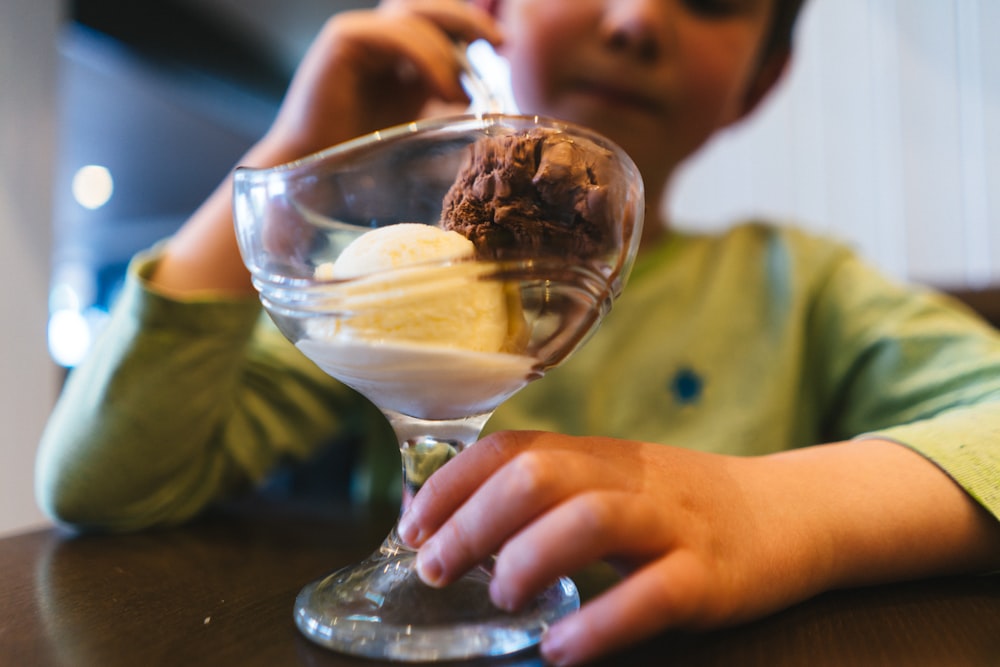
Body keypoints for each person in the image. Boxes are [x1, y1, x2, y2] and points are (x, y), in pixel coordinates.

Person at [37, 0, 1000, 664]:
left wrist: (770, 510)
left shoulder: (806, 288)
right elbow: (108, 482)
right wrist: (291, 157)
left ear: (761, 80)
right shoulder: (375, 298)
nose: (634, 20)